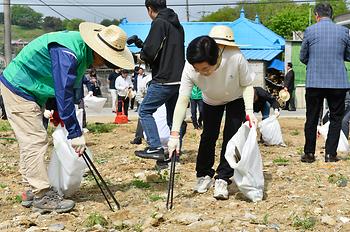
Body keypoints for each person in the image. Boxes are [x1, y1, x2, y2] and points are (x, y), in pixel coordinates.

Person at [0, 22, 134, 213]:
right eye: (105, 60)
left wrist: (60, 116)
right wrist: (74, 131)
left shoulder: (79, 50)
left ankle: (31, 190)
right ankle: (41, 195)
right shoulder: (68, 53)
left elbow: (62, 88)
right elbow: (64, 92)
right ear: (98, 51)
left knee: (32, 140)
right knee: (34, 140)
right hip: (19, 87)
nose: (103, 64)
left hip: (34, 90)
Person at [168, 26, 256, 200]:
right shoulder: (189, 68)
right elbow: (183, 99)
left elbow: (247, 84)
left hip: (235, 97)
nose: (203, 73)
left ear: (217, 58)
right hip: (211, 100)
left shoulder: (235, 57)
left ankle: (223, 178)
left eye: (206, 69)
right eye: (198, 69)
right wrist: (174, 134)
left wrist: (249, 111)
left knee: (231, 138)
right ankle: (203, 175)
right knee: (208, 136)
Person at [299, 3, 350, 163]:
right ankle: (330, 154)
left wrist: (314, 62)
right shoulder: (344, 32)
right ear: (331, 15)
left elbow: (302, 56)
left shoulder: (310, 30)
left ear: (316, 15)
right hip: (338, 83)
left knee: (312, 117)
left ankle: (309, 154)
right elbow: (348, 55)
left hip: (314, 81)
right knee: (336, 118)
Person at [134, 0, 185, 160]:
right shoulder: (177, 25)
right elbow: (163, 51)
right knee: (173, 118)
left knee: (145, 110)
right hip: (179, 80)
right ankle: (174, 153)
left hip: (163, 79)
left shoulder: (159, 23)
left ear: (150, 9)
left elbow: (149, 54)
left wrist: (139, 56)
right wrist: (143, 46)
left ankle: (155, 147)